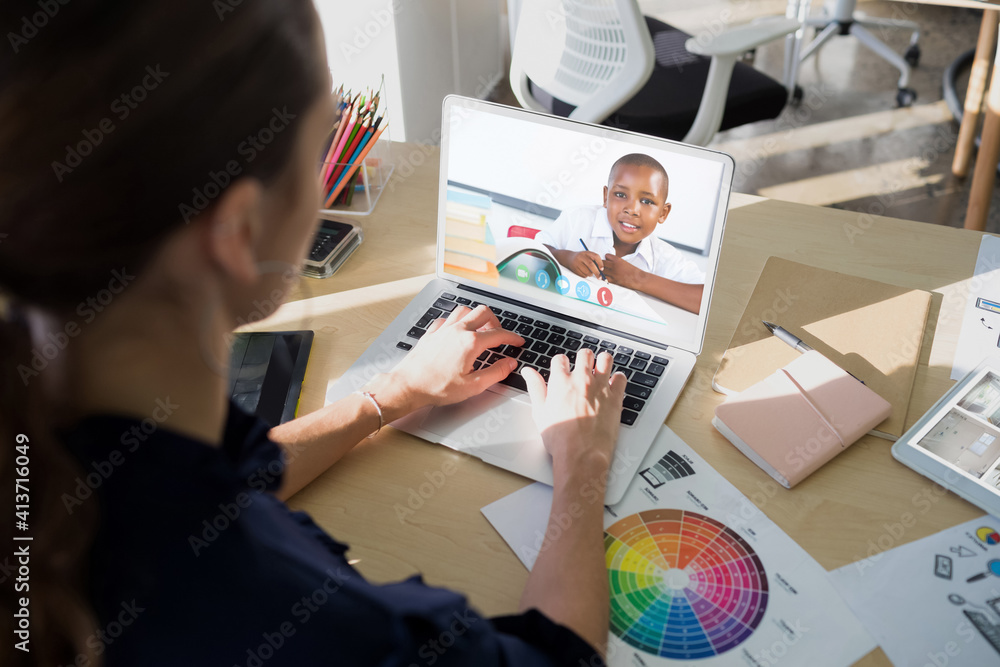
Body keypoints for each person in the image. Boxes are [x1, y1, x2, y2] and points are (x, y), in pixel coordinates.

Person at [0, 1, 626, 665]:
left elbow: (195, 490)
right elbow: (560, 657)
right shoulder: (323, 630)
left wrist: (389, 396)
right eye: (322, 140)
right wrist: (580, 461)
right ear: (237, 231)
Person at [538, 153, 705, 314]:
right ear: (606, 196)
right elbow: (528, 251)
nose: (632, 209)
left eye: (647, 201)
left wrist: (637, 278)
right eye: (620, 195)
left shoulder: (664, 256)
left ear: (663, 213)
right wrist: (565, 257)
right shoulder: (576, 219)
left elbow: (706, 301)